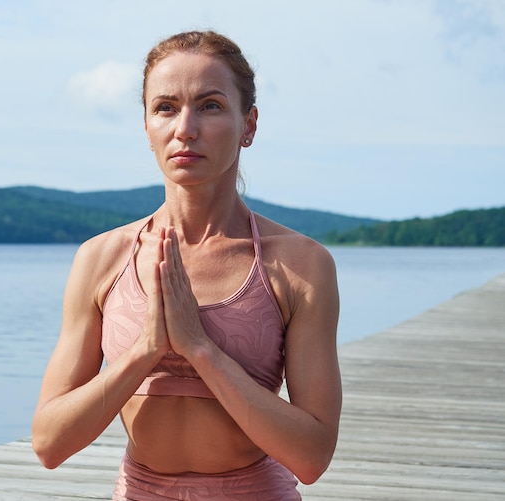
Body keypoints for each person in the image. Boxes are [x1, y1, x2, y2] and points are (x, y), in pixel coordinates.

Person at [32, 30, 342, 500]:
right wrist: (146, 350)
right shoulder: (102, 259)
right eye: (166, 107)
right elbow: (49, 443)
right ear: (146, 126)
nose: (185, 128)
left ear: (249, 125)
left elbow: (312, 456)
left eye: (211, 105)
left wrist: (201, 350)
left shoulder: (298, 265)